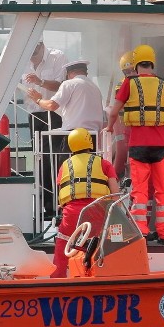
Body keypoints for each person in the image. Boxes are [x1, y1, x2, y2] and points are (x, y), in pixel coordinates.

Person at [105, 44, 164, 244]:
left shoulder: (129, 84)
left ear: (136, 63)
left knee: (140, 192)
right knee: (162, 190)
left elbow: (114, 112)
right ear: (152, 63)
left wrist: (110, 127)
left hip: (138, 147)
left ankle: (142, 232)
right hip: (161, 148)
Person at [51, 128, 119, 278]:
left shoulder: (65, 166)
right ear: (89, 142)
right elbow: (115, 194)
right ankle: (95, 277)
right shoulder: (104, 164)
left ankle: (57, 280)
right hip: (97, 211)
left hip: (71, 214)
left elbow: (62, 191)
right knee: (96, 247)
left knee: (64, 246)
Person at [26, 58, 105, 166]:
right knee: (88, 170)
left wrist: (38, 100)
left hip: (74, 137)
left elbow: (51, 105)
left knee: (69, 170)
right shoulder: (95, 88)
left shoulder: (69, 84)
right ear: (85, 72)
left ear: (69, 73)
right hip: (92, 137)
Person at [22, 41, 66, 219]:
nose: (32, 57)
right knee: (40, 159)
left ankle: (55, 203)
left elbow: (61, 85)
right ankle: (44, 203)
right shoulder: (22, 59)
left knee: (53, 159)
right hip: (34, 114)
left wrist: (40, 81)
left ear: (40, 45)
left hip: (53, 113)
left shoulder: (57, 57)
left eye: (34, 52)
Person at [108, 51, 137, 178]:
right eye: (126, 72)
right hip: (128, 127)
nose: (130, 74)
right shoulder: (121, 86)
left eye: (132, 70)